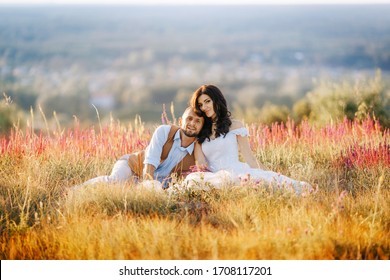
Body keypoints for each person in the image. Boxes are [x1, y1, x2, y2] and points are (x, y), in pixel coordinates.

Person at [184, 84, 312, 195]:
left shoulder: (235, 126)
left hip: (237, 171)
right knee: (192, 180)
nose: (204, 107)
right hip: (214, 176)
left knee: (271, 183)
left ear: (216, 101)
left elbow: (250, 158)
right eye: (200, 104)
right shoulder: (200, 134)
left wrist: (271, 174)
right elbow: (201, 166)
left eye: (207, 101)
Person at [72, 107, 206, 191]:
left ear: (201, 127)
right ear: (180, 121)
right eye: (189, 119)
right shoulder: (164, 132)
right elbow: (150, 162)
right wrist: (147, 187)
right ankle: (74, 191)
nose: (192, 124)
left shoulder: (196, 153)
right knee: (114, 182)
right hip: (132, 166)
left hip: (154, 185)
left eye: (198, 121)